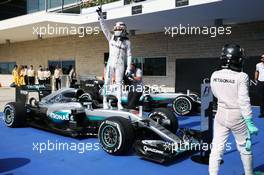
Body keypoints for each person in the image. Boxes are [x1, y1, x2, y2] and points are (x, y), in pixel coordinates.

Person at [209, 44, 259, 175]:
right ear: (238, 59)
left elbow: (214, 93)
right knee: (245, 147)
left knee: (217, 148)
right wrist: (249, 121)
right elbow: (244, 100)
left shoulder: (214, 74)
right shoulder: (242, 76)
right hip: (237, 116)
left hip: (220, 114)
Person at [97, 7, 132, 110]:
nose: (118, 30)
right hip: (110, 63)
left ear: (124, 29)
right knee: (107, 83)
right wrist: (101, 17)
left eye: (120, 28)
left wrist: (128, 68)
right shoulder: (111, 38)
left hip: (121, 64)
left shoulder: (127, 42)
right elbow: (104, 28)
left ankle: (119, 103)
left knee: (119, 84)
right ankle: (104, 101)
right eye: (117, 28)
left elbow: (129, 55)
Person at [255, 53, 264, 118]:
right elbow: (257, 71)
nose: (262, 58)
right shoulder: (258, 65)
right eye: (262, 57)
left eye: (263, 57)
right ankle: (262, 113)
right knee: (261, 98)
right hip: (260, 83)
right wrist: (255, 78)